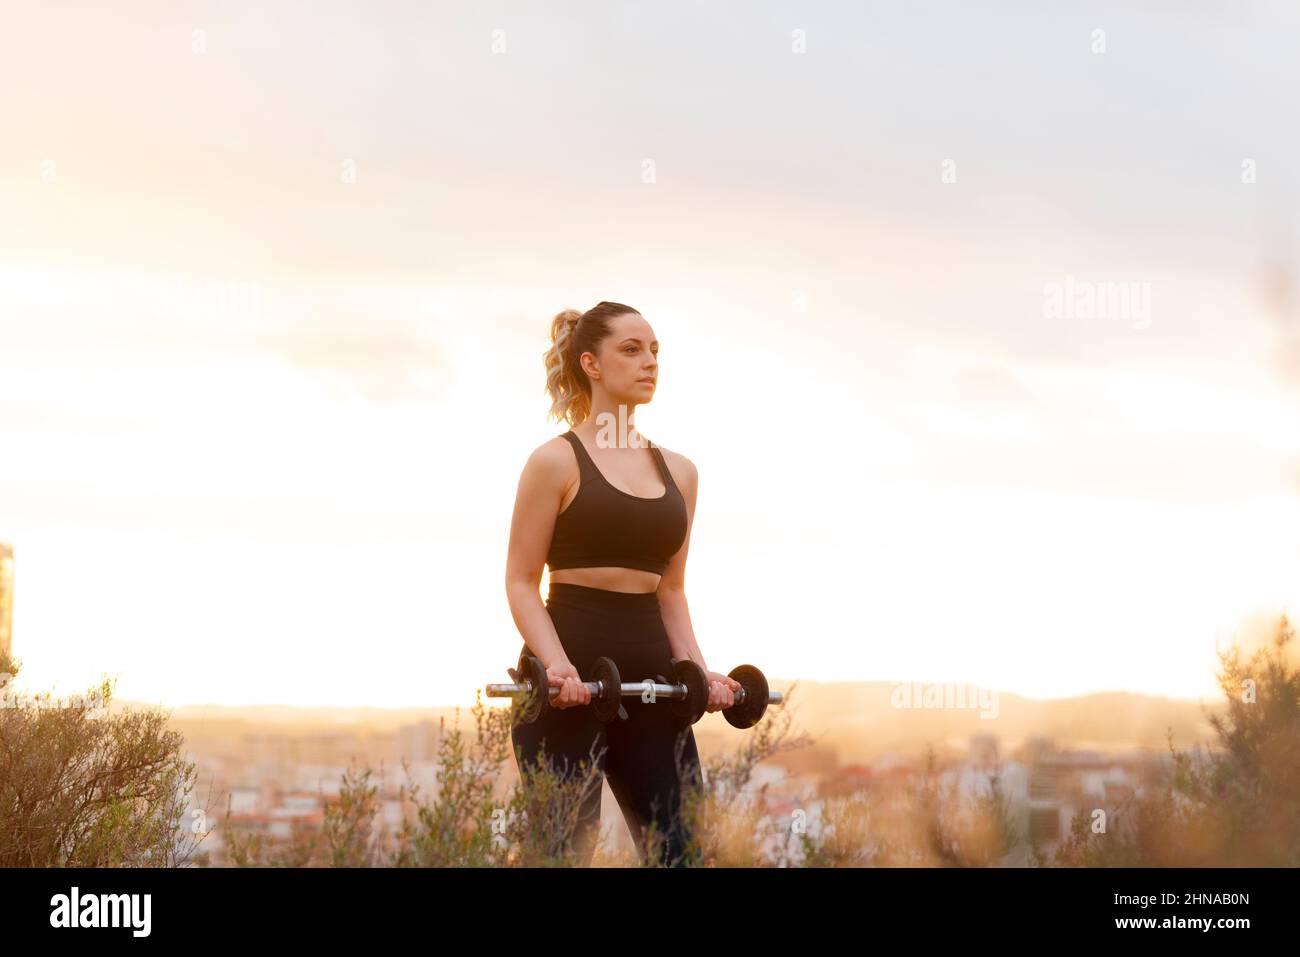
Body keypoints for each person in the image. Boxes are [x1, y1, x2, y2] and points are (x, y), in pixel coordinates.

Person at [503, 301, 742, 867]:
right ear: (590, 362)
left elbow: (672, 591)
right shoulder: (554, 462)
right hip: (569, 679)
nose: (649, 362)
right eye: (631, 350)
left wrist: (699, 672)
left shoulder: (679, 471)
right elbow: (519, 581)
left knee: (683, 853)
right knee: (560, 856)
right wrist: (557, 666)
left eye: (655, 350)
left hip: (656, 684)